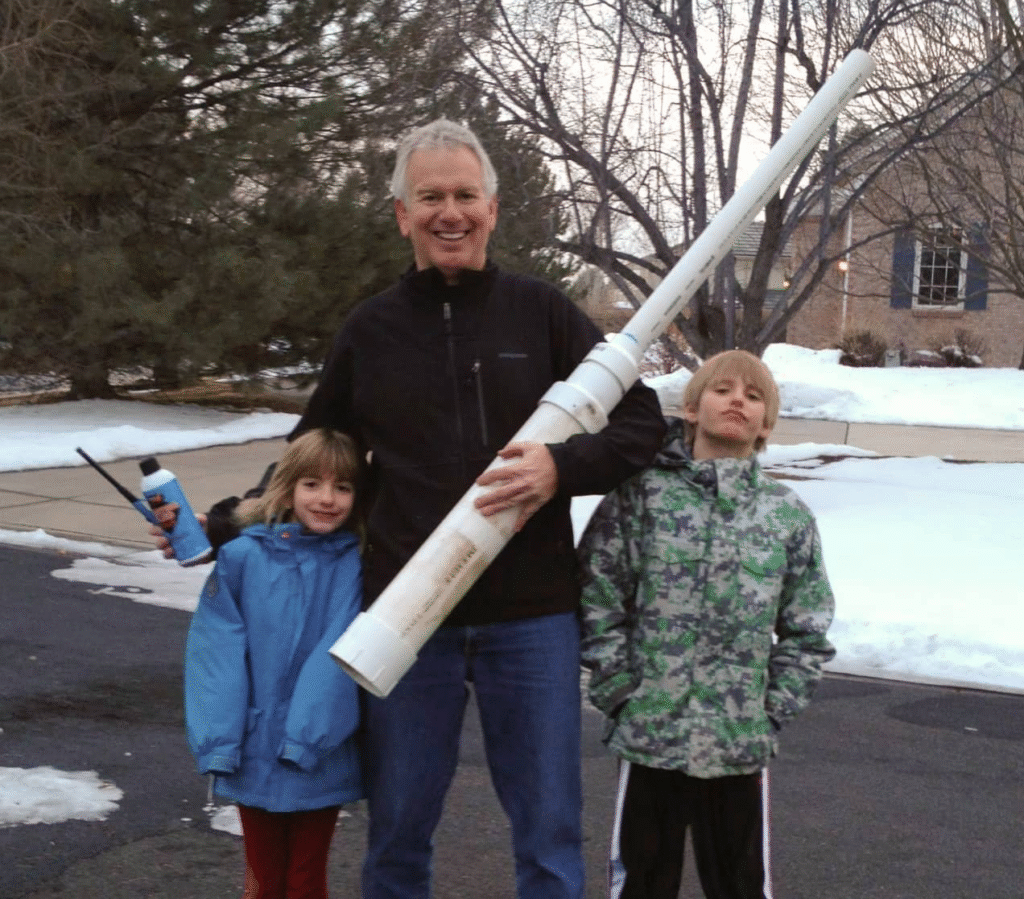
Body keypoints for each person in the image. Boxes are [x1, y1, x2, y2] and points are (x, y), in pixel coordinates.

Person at [289, 117, 666, 899]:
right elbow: (314, 455)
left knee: (550, 832)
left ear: (493, 209)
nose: (449, 213)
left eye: (465, 195)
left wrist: (560, 467)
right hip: (408, 617)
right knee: (397, 832)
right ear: (403, 215)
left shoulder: (543, 312)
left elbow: (640, 423)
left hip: (531, 618)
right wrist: (224, 521)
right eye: (430, 197)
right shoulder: (370, 330)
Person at [577, 350, 836, 899]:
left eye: (753, 396)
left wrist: (771, 710)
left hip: (737, 742)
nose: (738, 400)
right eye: (723, 390)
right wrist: (619, 693)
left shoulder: (785, 515)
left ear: (765, 425)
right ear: (692, 409)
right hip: (651, 735)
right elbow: (597, 597)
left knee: (741, 887)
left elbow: (807, 629)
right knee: (642, 885)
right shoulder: (641, 496)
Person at [184, 428, 365, 899]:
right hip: (252, 745)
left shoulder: (357, 565)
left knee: (305, 879)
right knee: (263, 879)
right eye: (312, 484)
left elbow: (337, 658)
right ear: (286, 487)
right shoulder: (242, 558)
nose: (327, 499)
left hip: (321, 753)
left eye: (343, 487)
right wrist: (220, 742)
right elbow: (216, 656)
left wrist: (306, 740)